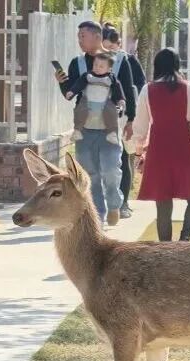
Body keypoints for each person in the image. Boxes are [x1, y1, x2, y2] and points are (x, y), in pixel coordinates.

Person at [131, 48, 190, 242]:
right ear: (177, 65)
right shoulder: (189, 88)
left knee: (163, 203)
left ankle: (166, 247)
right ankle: (185, 239)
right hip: (184, 150)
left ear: (157, 66)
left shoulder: (147, 90)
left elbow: (140, 127)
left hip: (158, 150)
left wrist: (139, 155)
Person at [55, 20, 137, 226]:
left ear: (97, 37)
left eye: (83, 36)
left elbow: (128, 90)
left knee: (111, 170)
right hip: (85, 129)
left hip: (109, 128)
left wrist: (131, 119)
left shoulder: (119, 60)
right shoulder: (77, 63)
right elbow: (70, 93)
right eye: (78, 36)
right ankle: (98, 214)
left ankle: (115, 203)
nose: (79, 40)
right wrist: (62, 83)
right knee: (90, 173)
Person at [103, 24, 146, 219]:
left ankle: (124, 203)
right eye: (105, 47)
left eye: (111, 47)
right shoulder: (96, 60)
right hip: (100, 118)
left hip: (123, 118)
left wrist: (132, 116)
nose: (109, 51)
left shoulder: (127, 60)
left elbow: (137, 87)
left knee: (123, 159)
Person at [64, 52, 126, 146]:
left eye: (101, 66)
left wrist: (121, 99)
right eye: (95, 65)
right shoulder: (87, 76)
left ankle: (112, 133)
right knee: (80, 110)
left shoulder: (111, 78)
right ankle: (77, 131)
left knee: (111, 113)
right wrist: (72, 92)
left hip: (105, 103)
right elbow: (78, 85)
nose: (97, 68)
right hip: (88, 102)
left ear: (109, 69)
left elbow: (118, 89)